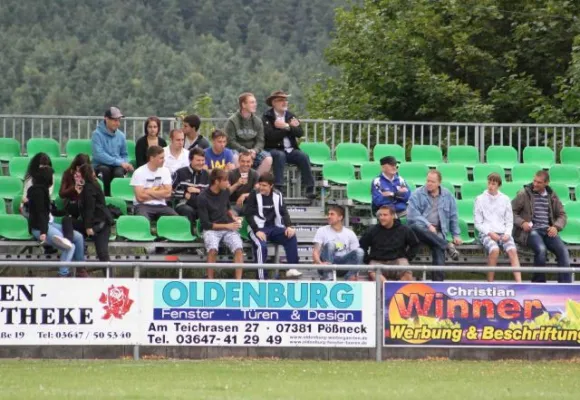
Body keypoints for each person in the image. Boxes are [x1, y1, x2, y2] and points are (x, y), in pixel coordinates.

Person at [512, 170, 570, 283]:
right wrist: (522, 223)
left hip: (548, 230)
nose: (535, 184)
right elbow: (510, 212)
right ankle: (539, 284)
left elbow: (562, 215)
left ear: (546, 183)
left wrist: (556, 227)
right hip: (531, 231)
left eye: (539, 182)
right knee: (541, 249)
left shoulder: (552, 195)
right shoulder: (524, 194)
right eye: (534, 181)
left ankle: (565, 285)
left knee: (563, 251)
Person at [27, 166, 85, 277]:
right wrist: (43, 232)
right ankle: (63, 274)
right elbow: (41, 214)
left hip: (49, 224)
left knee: (78, 237)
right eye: (52, 177)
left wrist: (65, 211)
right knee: (69, 246)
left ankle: (80, 269)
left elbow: (47, 212)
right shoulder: (38, 192)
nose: (53, 179)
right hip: (40, 228)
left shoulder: (42, 190)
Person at [244, 172, 302, 280]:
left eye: (264, 185)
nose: (261, 187)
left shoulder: (278, 194)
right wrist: (256, 230)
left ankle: (292, 268)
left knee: (291, 236)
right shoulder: (254, 194)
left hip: (273, 227)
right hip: (257, 228)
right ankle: (262, 278)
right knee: (262, 247)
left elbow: (283, 211)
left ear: (271, 186)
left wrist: (289, 226)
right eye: (260, 184)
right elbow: (248, 214)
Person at [407, 170, 461, 281]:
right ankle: (447, 245)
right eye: (428, 181)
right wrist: (428, 225)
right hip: (420, 230)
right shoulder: (417, 194)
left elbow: (453, 216)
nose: (429, 184)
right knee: (416, 227)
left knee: (438, 247)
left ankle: (438, 283)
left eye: (432, 181)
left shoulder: (448, 196)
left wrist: (456, 234)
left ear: (439, 183)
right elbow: (412, 215)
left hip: (437, 231)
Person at [262, 90, 315, 199]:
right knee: (279, 155)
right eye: (281, 100)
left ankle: (310, 188)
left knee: (303, 156)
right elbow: (270, 136)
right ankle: (279, 188)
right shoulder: (267, 117)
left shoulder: (290, 116)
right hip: (273, 149)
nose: (284, 102)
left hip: (291, 150)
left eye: (285, 100)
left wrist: (286, 126)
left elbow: (300, 133)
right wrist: (288, 128)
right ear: (273, 103)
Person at [474, 173, 522, 283]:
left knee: (513, 250)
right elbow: (478, 223)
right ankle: (490, 283)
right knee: (494, 249)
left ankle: (519, 283)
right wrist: (490, 233)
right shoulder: (479, 199)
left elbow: (509, 221)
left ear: (498, 185)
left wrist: (507, 234)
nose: (490, 186)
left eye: (493, 184)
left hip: (503, 232)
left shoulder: (505, 199)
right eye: (489, 183)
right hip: (486, 233)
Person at [197, 169, 244, 280]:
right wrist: (227, 226)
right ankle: (210, 280)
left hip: (228, 228)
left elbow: (227, 208)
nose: (228, 183)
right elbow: (206, 224)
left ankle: (239, 281)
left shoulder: (225, 192)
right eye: (225, 180)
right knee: (213, 249)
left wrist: (233, 217)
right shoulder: (202, 197)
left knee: (238, 248)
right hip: (212, 230)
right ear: (216, 181)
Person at [360, 205, 420, 282]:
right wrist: (367, 260)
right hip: (377, 261)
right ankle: (387, 289)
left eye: (385, 215)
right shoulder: (372, 230)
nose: (381, 218)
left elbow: (415, 244)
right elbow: (362, 246)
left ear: (392, 216)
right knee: (372, 269)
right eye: (380, 215)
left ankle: (399, 291)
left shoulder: (404, 229)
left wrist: (407, 257)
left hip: (397, 260)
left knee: (407, 271)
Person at [224, 92, 273, 175]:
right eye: (252, 102)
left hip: (253, 151)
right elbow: (230, 141)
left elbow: (260, 141)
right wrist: (245, 151)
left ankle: (254, 182)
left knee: (268, 159)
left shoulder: (258, 121)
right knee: (234, 157)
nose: (255, 105)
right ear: (243, 104)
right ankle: (239, 181)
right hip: (237, 150)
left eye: (255, 102)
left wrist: (254, 151)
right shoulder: (232, 121)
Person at [312, 205, 364, 281]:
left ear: (340, 217)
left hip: (343, 265)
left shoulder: (350, 233)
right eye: (328, 214)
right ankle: (328, 276)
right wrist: (320, 264)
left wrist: (356, 272)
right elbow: (315, 252)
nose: (328, 216)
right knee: (331, 244)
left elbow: (356, 256)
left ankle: (351, 276)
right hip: (326, 264)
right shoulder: (322, 230)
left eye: (332, 214)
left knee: (360, 251)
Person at [91, 107, 133, 196]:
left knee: (119, 173)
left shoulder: (121, 135)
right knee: (104, 170)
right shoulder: (97, 134)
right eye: (114, 120)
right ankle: (106, 197)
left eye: (119, 120)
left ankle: (118, 198)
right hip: (101, 165)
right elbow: (99, 155)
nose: (117, 123)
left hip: (117, 165)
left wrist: (126, 163)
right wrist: (120, 162)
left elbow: (124, 154)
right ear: (106, 118)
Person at [78, 163, 114, 262]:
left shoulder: (89, 188)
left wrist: (88, 227)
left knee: (102, 253)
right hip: (97, 222)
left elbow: (90, 208)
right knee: (102, 254)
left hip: (98, 224)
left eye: (79, 174)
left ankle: (109, 276)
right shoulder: (93, 184)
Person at [130, 145, 177, 221]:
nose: (164, 160)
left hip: (161, 205)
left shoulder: (165, 171)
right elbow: (140, 198)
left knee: (176, 220)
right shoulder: (139, 172)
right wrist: (160, 192)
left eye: (164, 157)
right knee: (143, 221)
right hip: (143, 205)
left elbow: (168, 194)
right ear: (152, 158)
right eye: (161, 158)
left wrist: (148, 191)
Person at [173, 148, 209, 234]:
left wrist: (196, 191)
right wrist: (185, 193)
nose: (201, 163)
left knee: (209, 210)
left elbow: (208, 194)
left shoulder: (206, 174)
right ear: (190, 160)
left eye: (202, 160)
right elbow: (172, 191)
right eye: (198, 160)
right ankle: (189, 236)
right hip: (183, 203)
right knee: (188, 211)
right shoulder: (180, 172)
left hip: (200, 204)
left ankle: (204, 236)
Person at [59, 153, 91, 218]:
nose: (81, 170)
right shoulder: (68, 173)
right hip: (71, 202)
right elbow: (61, 194)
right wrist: (74, 187)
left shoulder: (89, 174)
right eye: (79, 167)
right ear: (75, 166)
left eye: (83, 168)